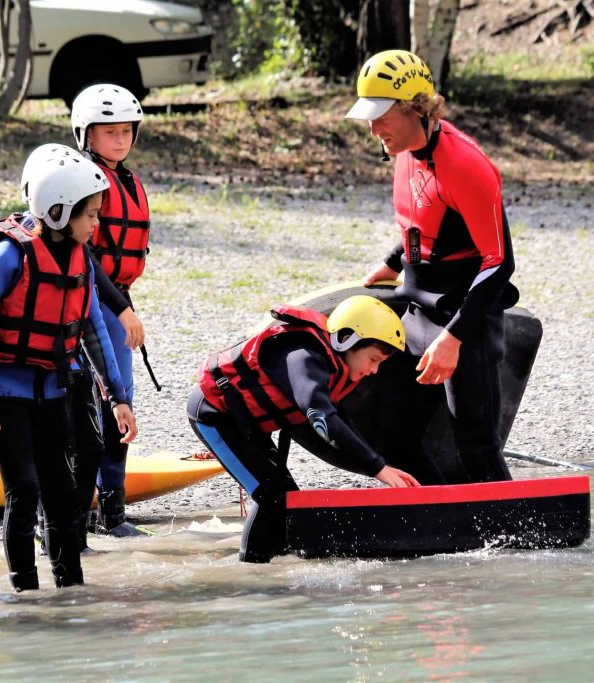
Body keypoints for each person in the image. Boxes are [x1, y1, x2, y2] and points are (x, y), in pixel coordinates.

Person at [0, 145, 138, 591]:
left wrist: (118, 397)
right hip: (6, 394)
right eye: (90, 215)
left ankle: (70, 591)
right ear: (58, 211)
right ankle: (24, 592)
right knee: (24, 492)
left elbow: (94, 328)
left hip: (54, 391)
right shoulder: (8, 258)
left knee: (62, 496)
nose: (97, 224)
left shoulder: (80, 260)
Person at [346, 50, 520, 484]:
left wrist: (454, 339)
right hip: (416, 310)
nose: (373, 129)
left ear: (416, 108)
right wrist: (391, 264)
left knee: (476, 443)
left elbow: (500, 263)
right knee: (395, 438)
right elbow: (423, 224)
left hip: (466, 320)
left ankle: (517, 543)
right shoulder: (402, 149)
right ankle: (434, 521)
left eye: (382, 116)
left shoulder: (466, 165)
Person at [188, 295, 420, 564]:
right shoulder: (302, 357)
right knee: (270, 496)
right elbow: (322, 418)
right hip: (214, 415)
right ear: (347, 340)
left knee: (287, 497)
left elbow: (340, 429)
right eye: (373, 359)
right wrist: (377, 467)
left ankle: (277, 558)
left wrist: (380, 467)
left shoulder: (333, 364)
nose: (374, 370)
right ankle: (251, 572)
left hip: (247, 423)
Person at [70, 83, 152, 536]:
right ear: (86, 135)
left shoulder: (126, 181)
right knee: (99, 404)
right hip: (90, 304)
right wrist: (122, 310)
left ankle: (113, 512)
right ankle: (87, 511)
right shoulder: (81, 183)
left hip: (116, 299)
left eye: (126, 131)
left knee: (122, 403)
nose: (120, 140)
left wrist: (123, 305)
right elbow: (85, 256)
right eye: (109, 132)